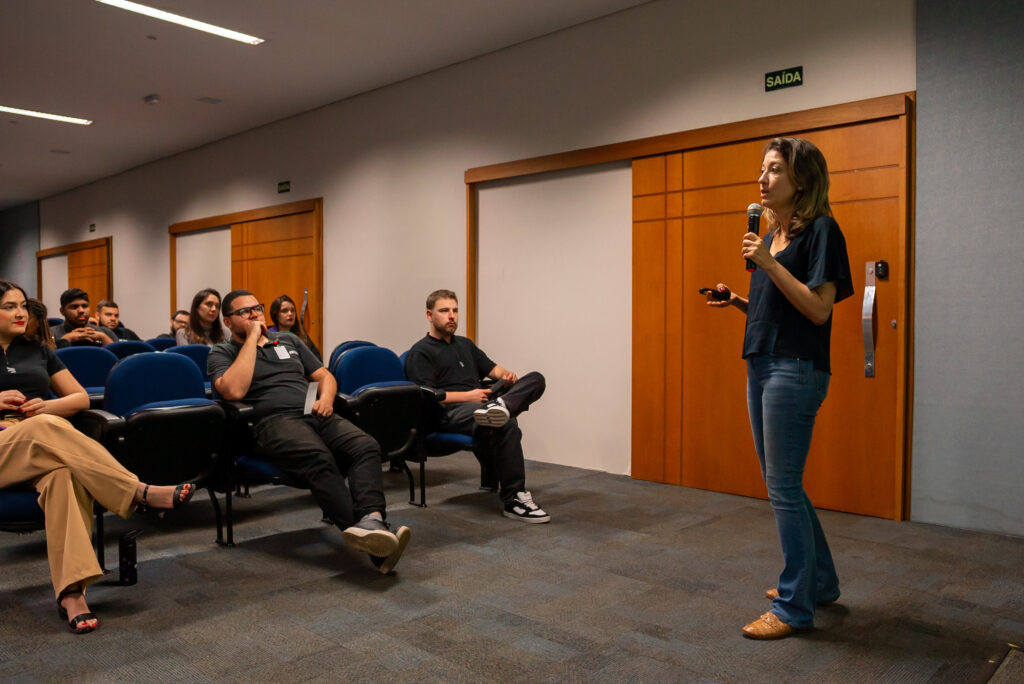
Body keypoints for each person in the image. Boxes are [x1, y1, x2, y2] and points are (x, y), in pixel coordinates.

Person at [705, 137, 853, 639]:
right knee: (782, 483)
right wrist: (740, 302)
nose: (762, 180)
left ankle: (795, 607)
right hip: (764, 363)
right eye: (762, 170)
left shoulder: (822, 233)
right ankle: (822, 581)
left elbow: (817, 309)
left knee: (783, 487)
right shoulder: (775, 238)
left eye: (773, 171)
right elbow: (781, 309)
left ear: (802, 180)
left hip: (796, 369)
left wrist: (768, 264)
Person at [0, 280, 196, 634]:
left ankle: (72, 593)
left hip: (41, 440)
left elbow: (77, 398)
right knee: (46, 427)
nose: (19, 313)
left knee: (64, 476)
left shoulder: (38, 350)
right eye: (9, 306)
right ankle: (138, 491)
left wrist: (47, 404)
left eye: (23, 306)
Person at [208, 290, 411, 573]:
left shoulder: (289, 340)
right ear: (228, 322)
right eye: (245, 312)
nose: (255, 315)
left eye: (258, 308)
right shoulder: (222, 352)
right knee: (319, 458)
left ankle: (372, 520)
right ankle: (371, 540)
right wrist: (253, 339)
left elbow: (324, 376)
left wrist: (326, 399)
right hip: (271, 422)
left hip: (313, 412)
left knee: (365, 445)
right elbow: (234, 390)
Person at [404, 289, 550, 523]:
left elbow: (494, 370)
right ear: (430, 315)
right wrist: (468, 396)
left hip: (484, 402)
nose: (452, 316)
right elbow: (426, 396)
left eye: (455, 310)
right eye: (444, 311)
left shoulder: (465, 345)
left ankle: (502, 405)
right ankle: (514, 499)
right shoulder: (420, 351)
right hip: (449, 412)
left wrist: (507, 376)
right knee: (506, 423)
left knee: (536, 379)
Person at [49, 288, 116, 348]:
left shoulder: (105, 332)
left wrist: (103, 337)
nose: (81, 311)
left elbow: (121, 359)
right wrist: (65, 340)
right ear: (62, 311)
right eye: (74, 307)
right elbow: (46, 359)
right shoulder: (50, 333)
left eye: (84, 306)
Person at [268, 294, 322, 361]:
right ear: (275, 315)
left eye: (292, 310)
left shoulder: (302, 335)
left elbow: (317, 361)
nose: (290, 314)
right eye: (284, 311)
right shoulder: (268, 337)